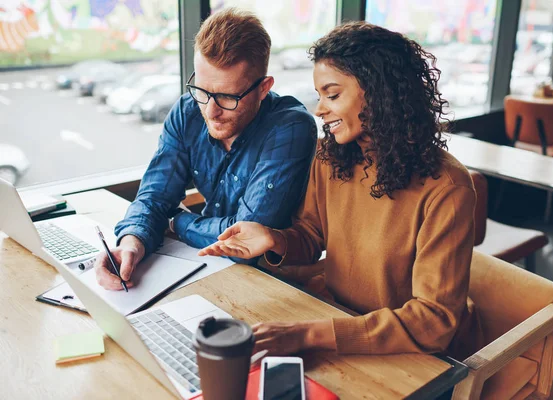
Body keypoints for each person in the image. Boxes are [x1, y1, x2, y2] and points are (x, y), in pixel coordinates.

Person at [199, 21, 483, 359]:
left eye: (332, 95)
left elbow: (433, 323)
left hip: (413, 353)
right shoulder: (331, 156)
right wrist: (274, 239)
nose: (319, 109)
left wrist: (310, 334)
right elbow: (310, 234)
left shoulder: (447, 188)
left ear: (380, 92)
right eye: (320, 96)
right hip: (338, 320)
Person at [95, 8, 317, 290]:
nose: (210, 112)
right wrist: (130, 244)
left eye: (226, 96)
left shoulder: (291, 127)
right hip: (208, 267)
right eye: (202, 90)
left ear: (263, 88)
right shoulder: (188, 111)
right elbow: (154, 196)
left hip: (273, 280)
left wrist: (176, 221)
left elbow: (243, 238)